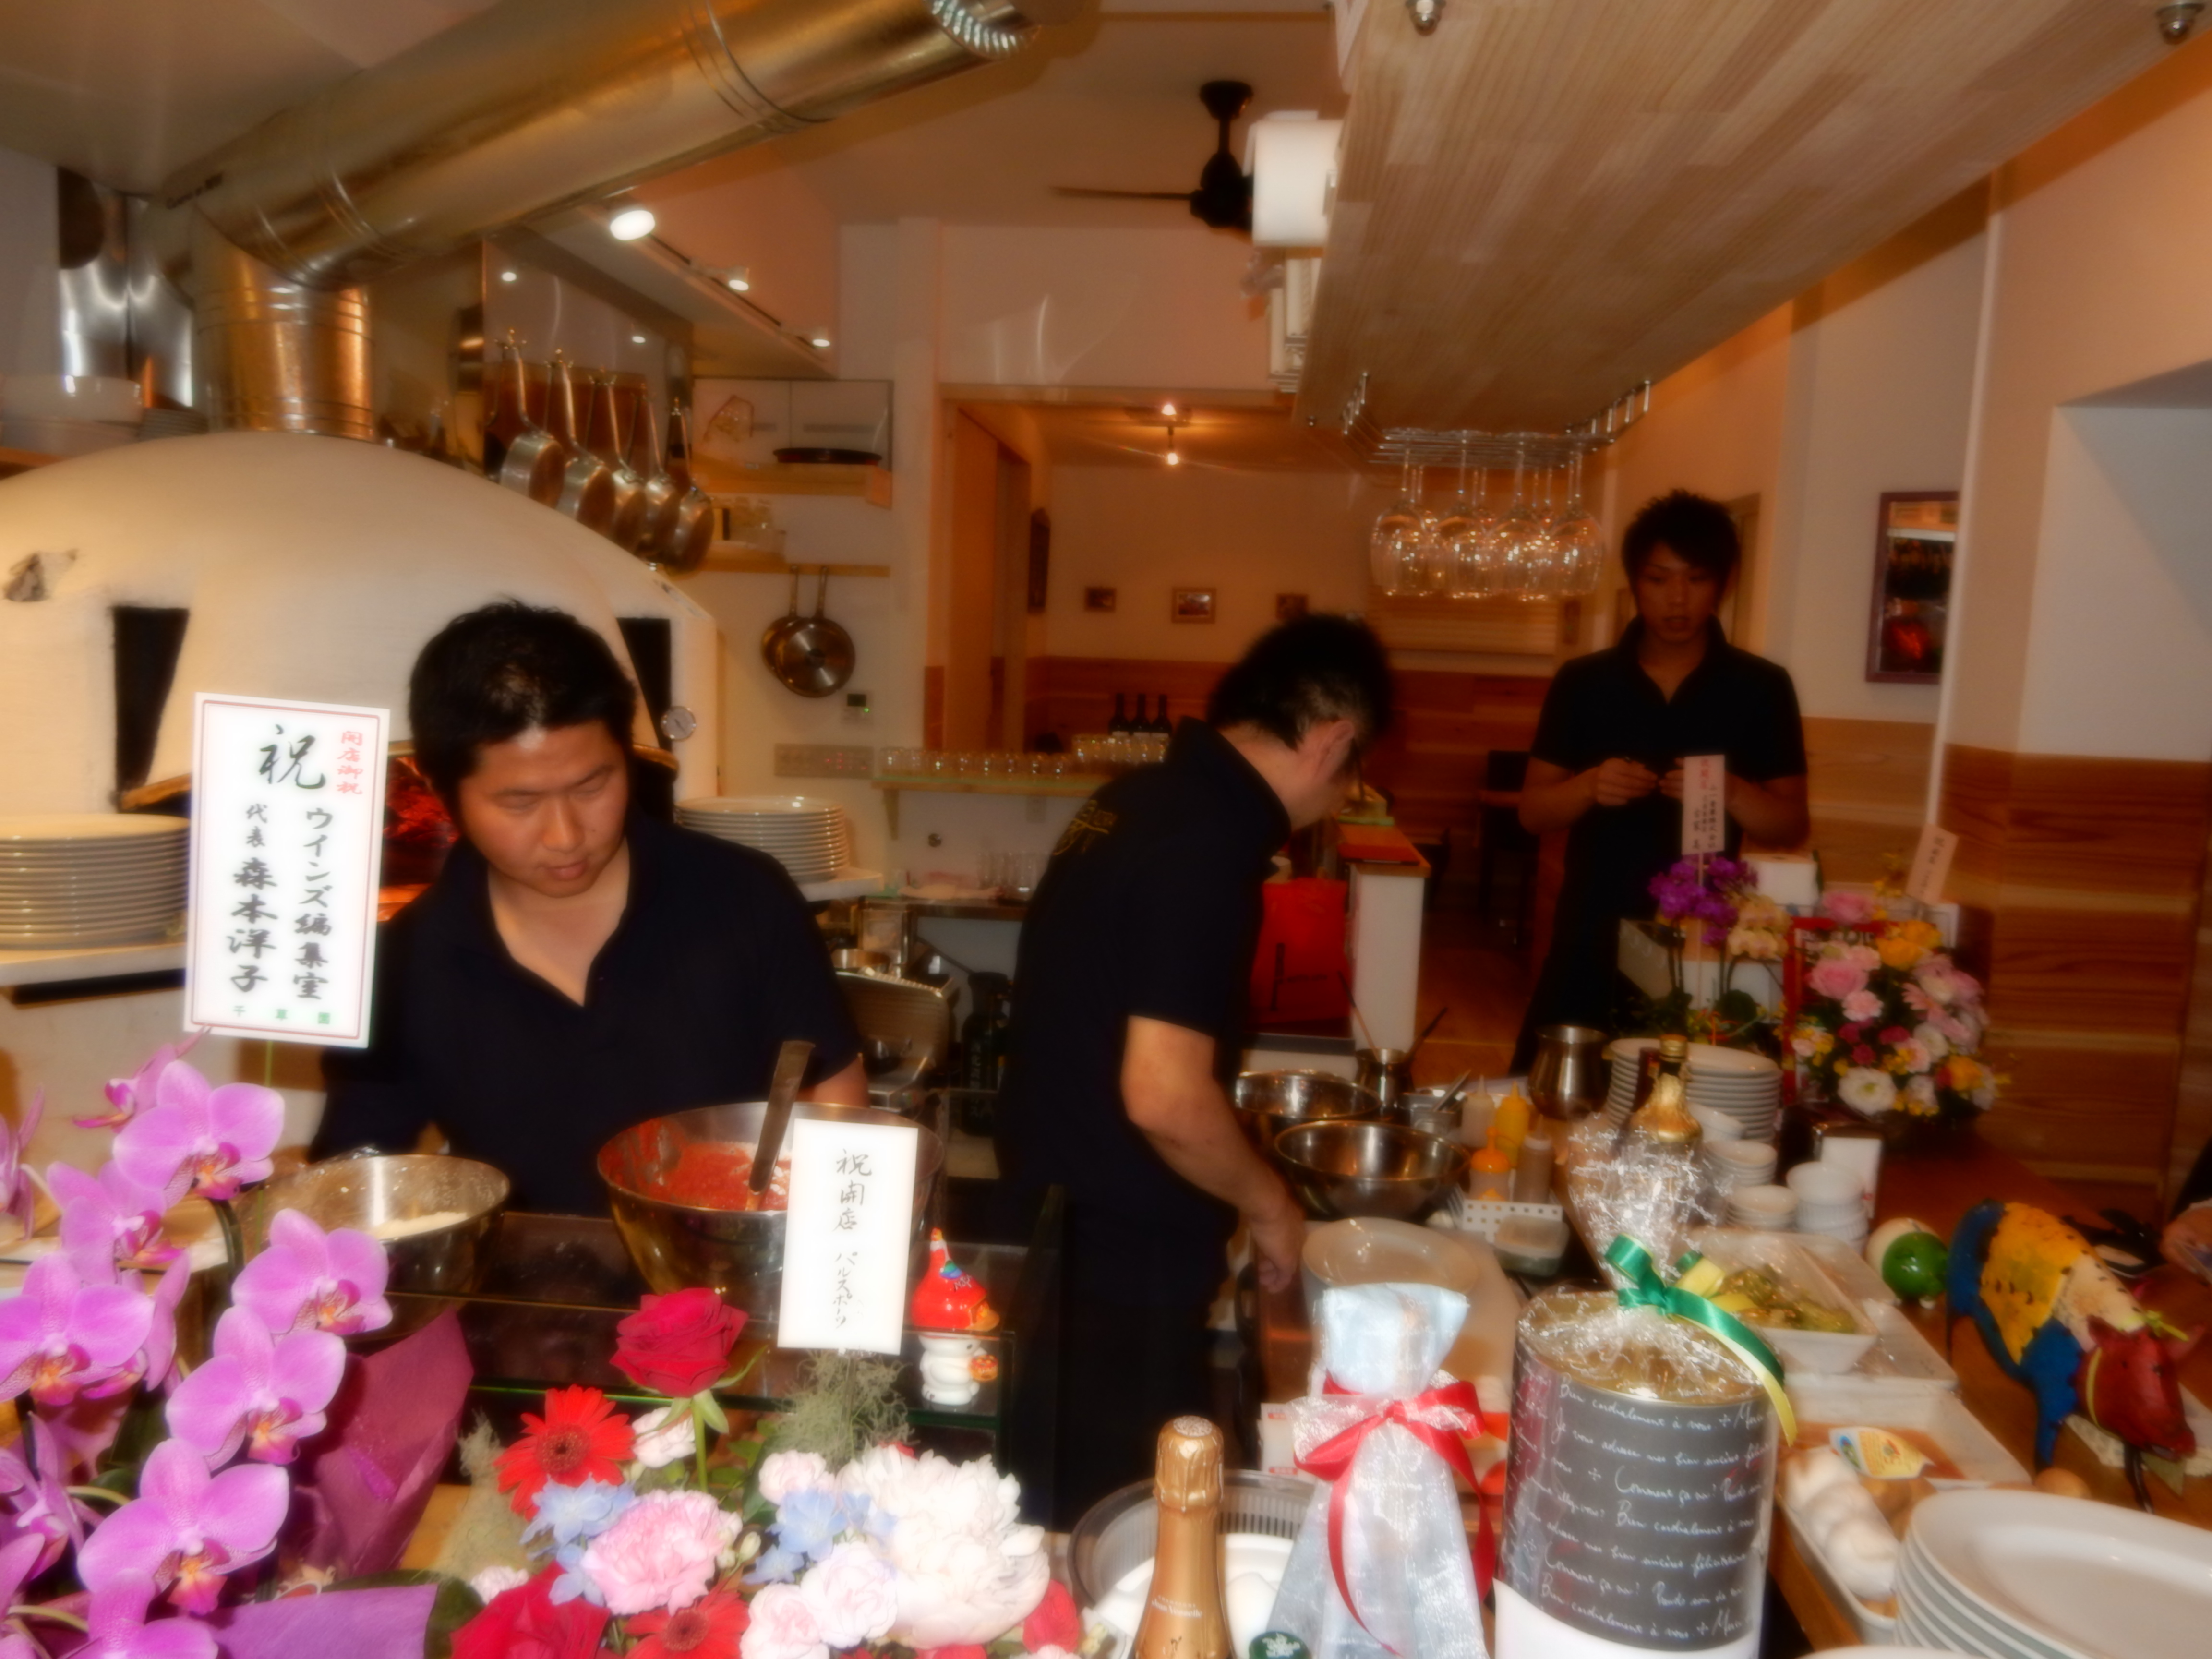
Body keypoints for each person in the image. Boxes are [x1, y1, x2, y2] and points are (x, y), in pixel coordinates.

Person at [994, 614, 1395, 1524]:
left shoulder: (1133, 798)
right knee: (1127, 1524)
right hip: (1120, 1256)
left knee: (1055, 1500)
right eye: (1353, 773)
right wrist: (1272, 1207)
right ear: (1333, 740)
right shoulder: (1207, 843)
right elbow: (1164, 1094)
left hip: (1053, 1214)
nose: (1342, 797)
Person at [315, 602, 863, 1212]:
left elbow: (832, 1096)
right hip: (526, 1273)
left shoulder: (741, 895)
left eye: (591, 786)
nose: (565, 836)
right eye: (520, 803)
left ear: (627, 758)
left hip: (728, 1259)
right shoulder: (403, 962)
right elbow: (353, 1173)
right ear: (444, 794)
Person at [1514, 490, 1809, 1068]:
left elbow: (1791, 825)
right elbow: (1532, 812)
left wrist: (1732, 791)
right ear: (1634, 583)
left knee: (1686, 1099)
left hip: (1703, 944)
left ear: (1723, 583)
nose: (1677, 598)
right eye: (1658, 579)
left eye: (1696, 579)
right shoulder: (1584, 681)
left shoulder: (1761, 686)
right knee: (1561, 1091)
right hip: (1591, 931)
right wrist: (1588, 786)